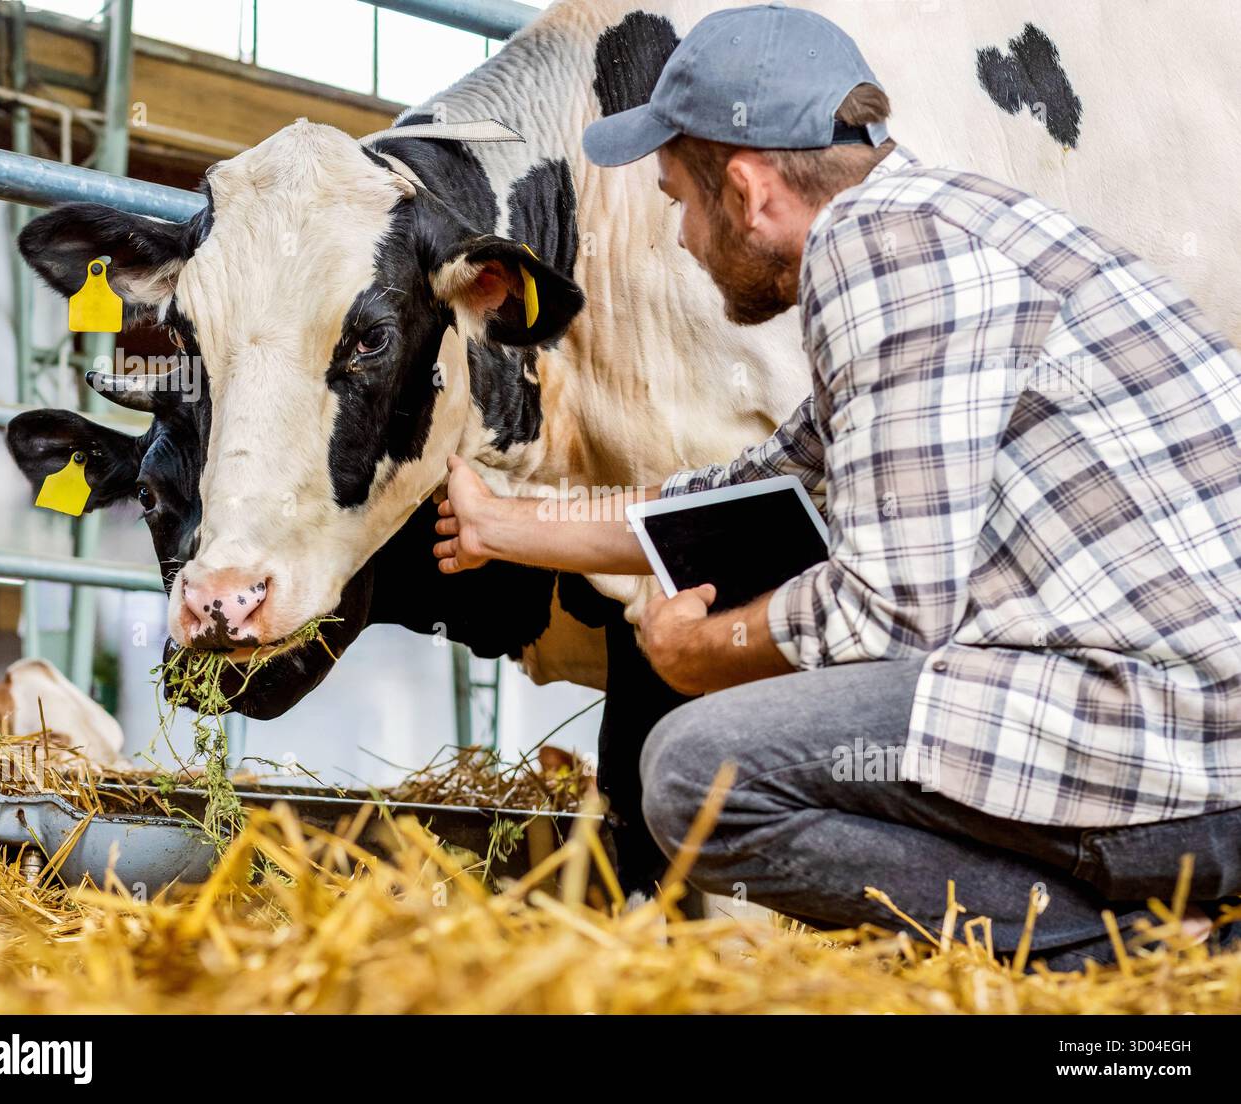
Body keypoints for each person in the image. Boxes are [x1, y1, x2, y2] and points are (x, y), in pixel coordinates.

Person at [434, 4, 1241, 964]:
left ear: (748, 189)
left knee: (697, 775)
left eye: (679, 200)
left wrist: (707, 651)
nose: (685, 239)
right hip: (1184, 714)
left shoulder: (876, 253)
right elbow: (750, 494)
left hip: (1179, 738)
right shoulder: (935, 224)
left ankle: (1120, 952)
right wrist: (502, 525)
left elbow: (890, 614)